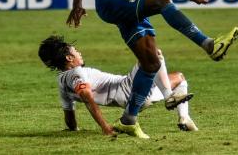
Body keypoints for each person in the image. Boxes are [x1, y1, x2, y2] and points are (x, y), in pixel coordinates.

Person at [66, 0, 238, 138]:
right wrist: (77, 4)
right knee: (162, 1)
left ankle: (129, 119)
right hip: (111, 2)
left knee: (151, 64)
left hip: (133, 8)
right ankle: (208, 44)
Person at [38, 35, 198, 138]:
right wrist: (105, 126)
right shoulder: (77, 73)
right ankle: (169, 97)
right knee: (154, 53)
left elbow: (69, 114)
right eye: (76, 51)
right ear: (69, 57)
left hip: (131, 100)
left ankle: (185, 118)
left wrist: (73, 129)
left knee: (179, 78)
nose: (80, 53)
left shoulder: (61, 81)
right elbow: (86, 95)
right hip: (130, 89)